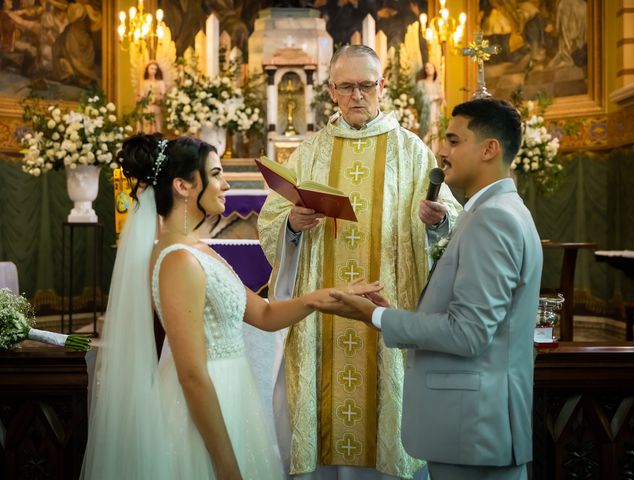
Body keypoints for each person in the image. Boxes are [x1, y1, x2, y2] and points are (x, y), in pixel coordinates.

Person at [81, 134, 381, 479]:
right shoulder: (177, 260)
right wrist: (225, 465)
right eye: (217, 173)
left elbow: (265, 316)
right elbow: (191, 374)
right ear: (183, 185)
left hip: (233, 396)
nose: (225, 184)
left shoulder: (197, 249)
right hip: (200, 411)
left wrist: (325, 297)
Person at [310, 98, 543, 480]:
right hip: (474, 428)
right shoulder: (494, 210)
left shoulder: (494, 218)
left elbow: (469, 333)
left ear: (489, 149)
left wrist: (376, 315)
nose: (442, 151)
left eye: (453, 140)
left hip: (472, 429)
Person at [258, 45, 461, 479]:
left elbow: (450, 223)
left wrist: (435, 221)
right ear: (331, 91)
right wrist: (292, 222)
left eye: (366, 85)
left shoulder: (412, 152)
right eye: (346, 87)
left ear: (381, 87)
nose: (357, 95)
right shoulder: (310, 152)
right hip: (321, 322)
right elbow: (272, 221)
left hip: (390, 310)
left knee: (386, 413)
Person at [416, 62, 444, 143]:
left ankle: (435, 153)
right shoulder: (421, 83)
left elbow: (442, 100)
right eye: (426, 68)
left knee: (436, 131)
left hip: (436, 112)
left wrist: (441, 98)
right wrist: (434, 97)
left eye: (431, 67)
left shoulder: (438, 85)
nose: (429, 69)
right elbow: (420, 99)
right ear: (424, 70)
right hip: (427, 112)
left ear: (434, 69)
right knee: (427, 133)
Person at [139, 61, 167, 133]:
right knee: (146, 125)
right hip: (147, 108)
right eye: (151, 68)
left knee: (157, 125)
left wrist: (156, 98)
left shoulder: (160, 82)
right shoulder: (144, 83)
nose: (153, 71)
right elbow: (141, 95)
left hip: (156, 107)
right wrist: (145, 99)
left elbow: (163, 95)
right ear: (147, 69)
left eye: (155, 69)